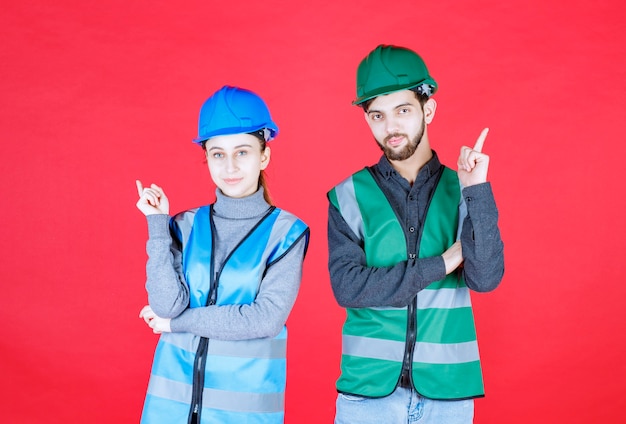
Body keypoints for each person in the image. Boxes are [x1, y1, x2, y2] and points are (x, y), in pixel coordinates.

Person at [327, 45, 505, 423]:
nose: (390, 127)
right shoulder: (347, 196)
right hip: (367, 395)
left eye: (402, 111)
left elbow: (486, 278)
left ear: (428, 109)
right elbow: (349, 288)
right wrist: (442, 263)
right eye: (377, 115)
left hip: (448, 395)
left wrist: (477, 191)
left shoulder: (463, 190)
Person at [135, 86, 310, 424]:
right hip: (168, 409)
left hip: (242, 414)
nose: (229, 166)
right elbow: (165, 306)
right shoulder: (184, 225)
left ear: (264, 156)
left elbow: (263, 320)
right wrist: (157, 225)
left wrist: (175, 325)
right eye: (217, 154)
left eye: (242, 152)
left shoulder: (287, 233)